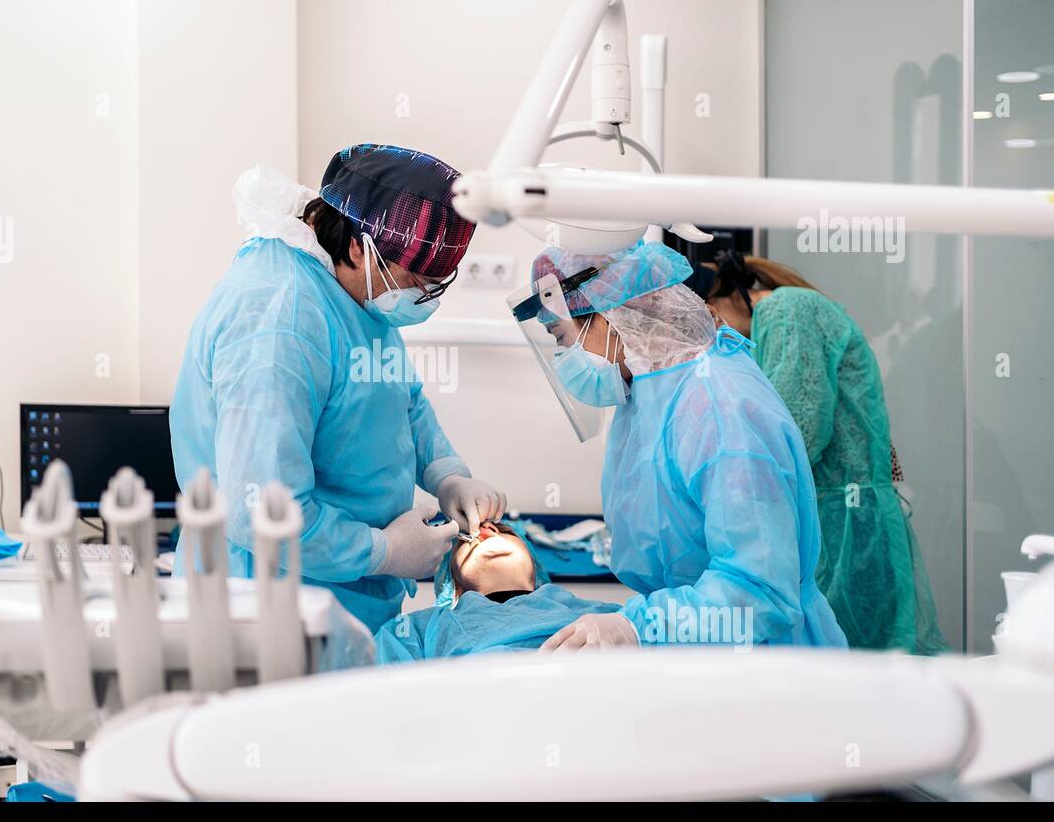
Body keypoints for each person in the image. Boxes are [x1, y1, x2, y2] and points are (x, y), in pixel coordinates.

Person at [170, 145, 506, 635]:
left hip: (346, 606)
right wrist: (384, 552)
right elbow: (262, 511)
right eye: (416, 281)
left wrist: (447, 477)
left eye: (437, 286)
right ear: (357, 247)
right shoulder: (279, 320)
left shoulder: (359, 294)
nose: (421, 298)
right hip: (267, 614)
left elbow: (399, 397)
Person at [512, 240, 848, 651]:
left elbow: (759, 594)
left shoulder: (721, 412)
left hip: (766, 660)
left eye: (562, 337)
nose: (565, 355)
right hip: (705, 651)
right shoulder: (654, 390)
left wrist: (640, 627)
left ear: (614, 316)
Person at [683, 252, 945, 653]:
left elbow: (797, 433)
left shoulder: (789, 311)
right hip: (832, 519)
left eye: (708, 322)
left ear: (720, 300)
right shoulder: (773, 326)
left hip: (847, 527)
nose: (712, 339)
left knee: (867, 678)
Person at [375, 521, 642, 662]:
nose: (487, 531)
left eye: (503, 530)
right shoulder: (417, 632)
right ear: (452, 584)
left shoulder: (613, 620)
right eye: (468, 538)